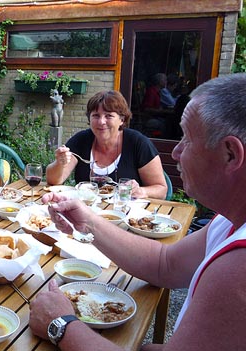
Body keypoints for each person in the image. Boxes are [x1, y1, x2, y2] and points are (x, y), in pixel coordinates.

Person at [30, 73, 246, 350]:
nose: (177, 153)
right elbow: (164, 264)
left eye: (187, 140)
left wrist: (60, 325)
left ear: (230, 153)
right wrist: (88, 222)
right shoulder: (227, 222)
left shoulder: (237, 269)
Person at [46, 90, 167, 199]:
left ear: (122, 120)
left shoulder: (138, 143)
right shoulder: (81, 140)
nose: (101, 121)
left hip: (125, 214)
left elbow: (161, 189)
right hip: (86, 213)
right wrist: (59, 163)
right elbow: (54, 180)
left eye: (109, 116)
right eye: (96, 115)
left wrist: (141, 191)